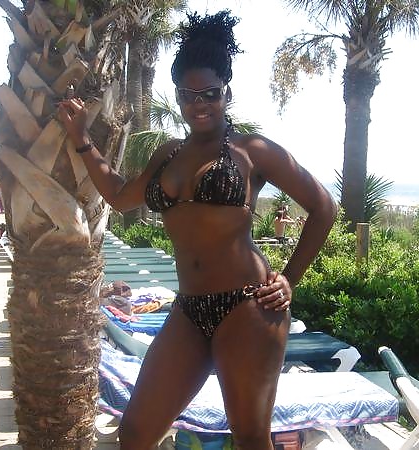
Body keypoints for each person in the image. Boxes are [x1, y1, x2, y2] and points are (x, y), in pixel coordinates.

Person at [59, 10, 336, 450]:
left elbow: (324, 207)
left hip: (249, 306)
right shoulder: (169, 154)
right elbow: (120, 195)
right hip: (189, 308)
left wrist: (289, 278)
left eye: (210, 93)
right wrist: (81, 139)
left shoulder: (252, 150)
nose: (199, 104)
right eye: (187, 96)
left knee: (250, 438)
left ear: (227, 91)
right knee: (135, 433)